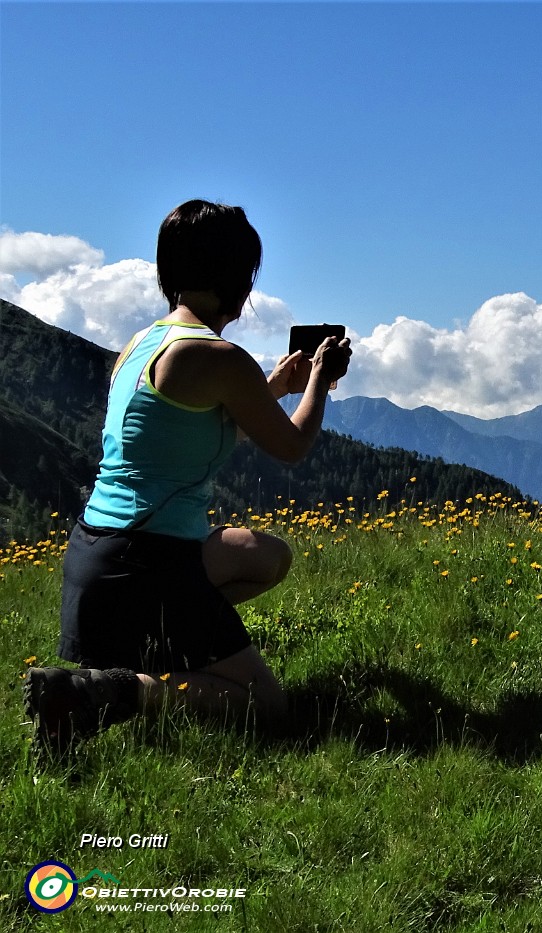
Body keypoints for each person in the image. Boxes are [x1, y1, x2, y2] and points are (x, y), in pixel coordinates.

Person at [23, 199, 352, 755]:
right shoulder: (217, 356)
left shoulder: (145, 343)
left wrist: (271, 387)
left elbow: (197, 425)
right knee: (266, 706)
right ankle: (107, 692)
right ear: (239, 280)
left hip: (96, 559)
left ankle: (158, 647)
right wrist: (320, 378)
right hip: (144, 563)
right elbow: (292, 446)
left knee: (263, 554)